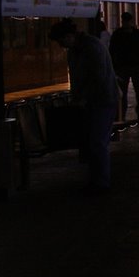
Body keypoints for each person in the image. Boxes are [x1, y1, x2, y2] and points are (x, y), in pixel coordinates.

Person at [49, 19, 118, 193]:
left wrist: (82, 97)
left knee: (97, 142)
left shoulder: (91, 47)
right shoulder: (76, 49)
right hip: (93, 101)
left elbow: (98, 77)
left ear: (69, 36)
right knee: (94, 141)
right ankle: (97, 180)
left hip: (102, 100)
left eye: (61, 41)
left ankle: (101, 183)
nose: (61, 45)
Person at [109, 12, 139, 124]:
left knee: (123, 92)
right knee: (138, 91)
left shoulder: (117, 34)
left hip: (124, 67)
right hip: (135, 66)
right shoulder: (138, 34)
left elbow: (112, 51)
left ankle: (121, 114)